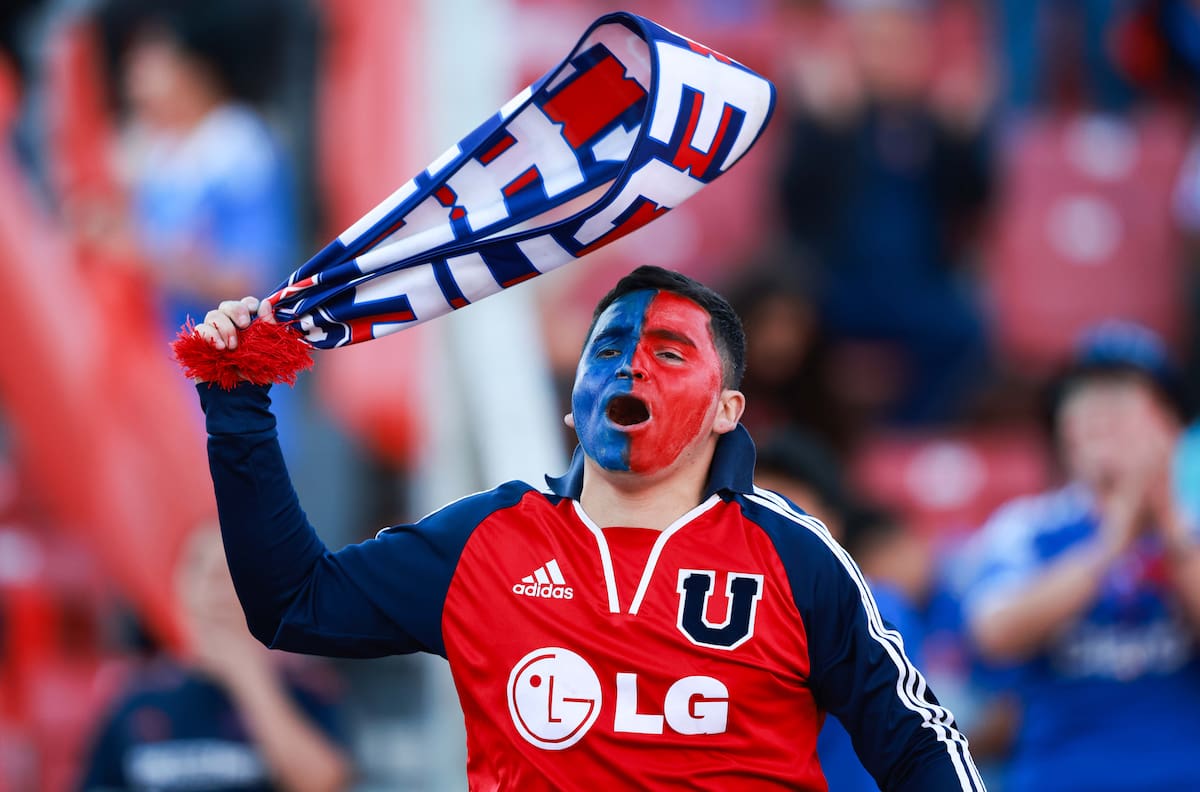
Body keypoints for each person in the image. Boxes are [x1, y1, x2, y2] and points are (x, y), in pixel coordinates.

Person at [192, 265, 984, 790]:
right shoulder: (486, 541)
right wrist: (238, 410)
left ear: (726, 411)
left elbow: (916, 743)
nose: (630, 367)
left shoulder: (796, 556)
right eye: (607, 348)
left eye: (669, 352)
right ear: (572, 400)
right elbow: (293, 602)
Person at [961, 320, 1200, 792]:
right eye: (1085, 401)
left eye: (1123, 402)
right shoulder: (1027, 527)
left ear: (1172, 428)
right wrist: (1113, 539)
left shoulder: (1192, 528)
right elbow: (992, 631)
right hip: (1060, 777)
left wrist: (1169, 524)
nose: (1100, 416)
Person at [77, 528, 353, 792]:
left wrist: (249, 677)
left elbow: (325, 783)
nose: (216, 590)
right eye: (202, 571)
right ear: (181, 587)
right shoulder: (137, 698)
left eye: (230, 573)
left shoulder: (303, 689)